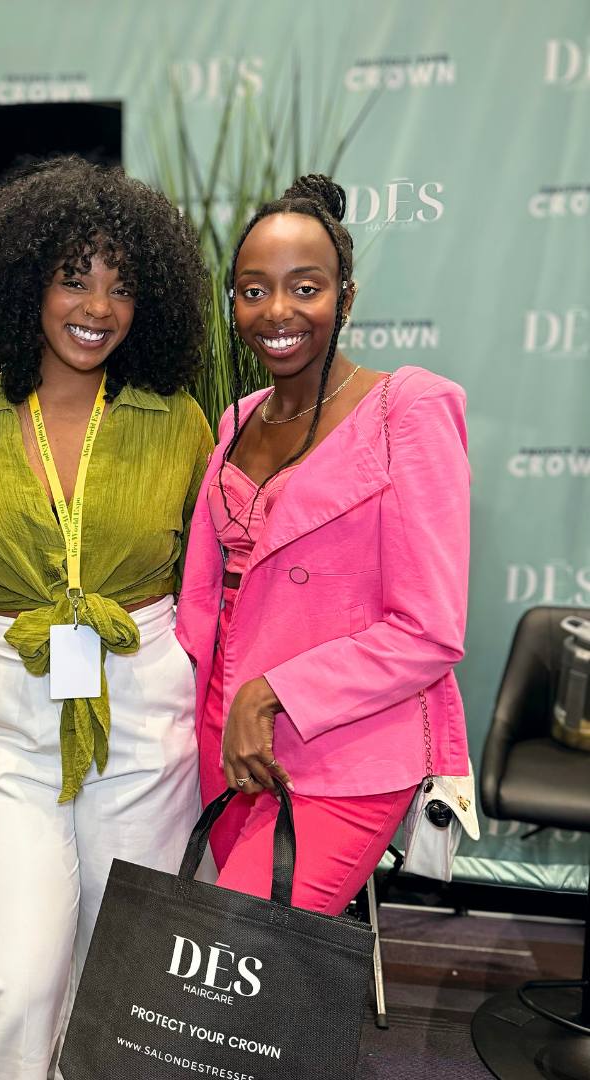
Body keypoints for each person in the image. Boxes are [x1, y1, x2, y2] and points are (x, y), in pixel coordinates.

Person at [0, 156, 213, 1079]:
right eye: (73, 278)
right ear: (26, 284)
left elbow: (213, 576)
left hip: (139, 708)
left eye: (122, 287)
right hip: (6, 713)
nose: (97, 306)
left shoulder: (177, 423)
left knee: (119, 971)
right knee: (12, 977)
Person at [176, 174, 471, 915]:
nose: (277, 311)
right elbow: (207, 599)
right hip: (223, 738)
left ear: (347, 297)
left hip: (339, 746)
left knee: (241, 954)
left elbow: (429, 629)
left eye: (304, 287)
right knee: (240, 992)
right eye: (252, 290)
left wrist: (272, 695)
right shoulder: (236, 420)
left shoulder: (408, 410)